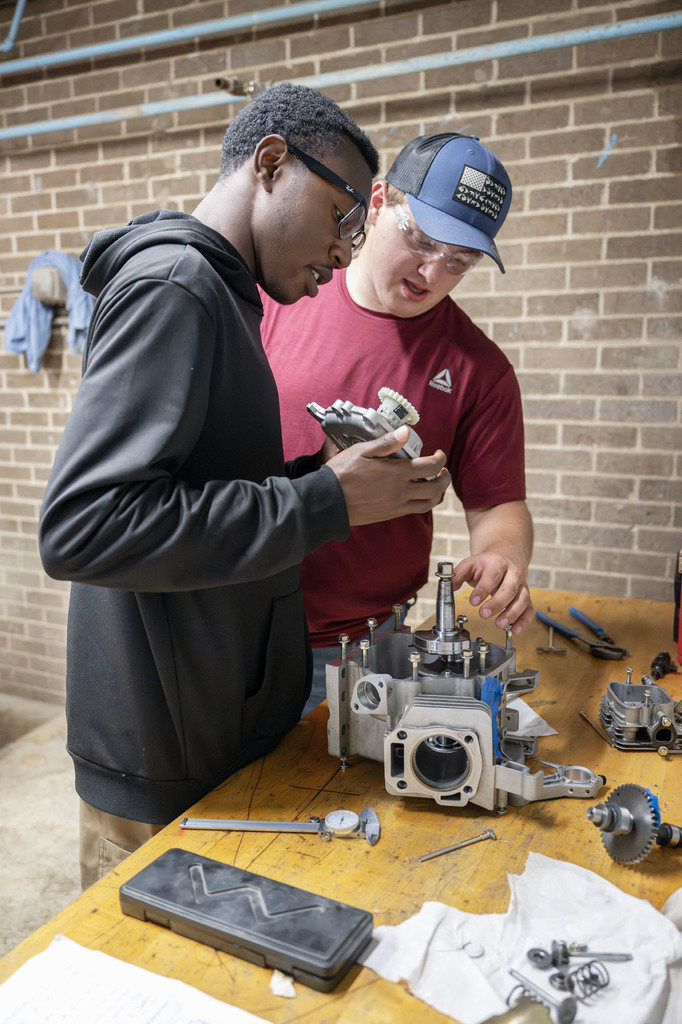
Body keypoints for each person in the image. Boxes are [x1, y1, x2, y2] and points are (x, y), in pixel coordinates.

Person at [38, 84, 451, 889]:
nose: (343, 252)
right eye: (340, 218)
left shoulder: (225, 295)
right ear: (270, 164)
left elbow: (192, 490)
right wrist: (324, 503)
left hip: (204, 730)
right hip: (158, 753)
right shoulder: (175, 287)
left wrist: (322, 479)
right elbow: (85, 526)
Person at [262, 132, 534, 710]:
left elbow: (497, 505)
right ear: (380, 201)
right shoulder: (281, 295)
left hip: (365, 648)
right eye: (421, 240)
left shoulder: (479, 369)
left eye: (458, 261)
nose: (431, 272)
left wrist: (503, 558)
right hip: (237, 630)